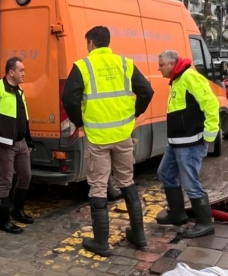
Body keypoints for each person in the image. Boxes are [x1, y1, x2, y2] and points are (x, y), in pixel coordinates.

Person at [62, 26, 154, 257]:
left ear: (91, 43)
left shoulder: (83, 66)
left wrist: (79, 121)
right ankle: (139, 235)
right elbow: (147, 91)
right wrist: (134, 114)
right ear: (108, 42)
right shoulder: (125, 64)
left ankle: (101, 243)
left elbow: (69, 98)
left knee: (99, 185)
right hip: (123, 134)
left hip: (98, 137)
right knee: (126, 181)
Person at [154, 50, 219, 239]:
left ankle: (205, 224)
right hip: (177, 142)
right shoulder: (177, 79)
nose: (158, 69)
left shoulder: (190, 77)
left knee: (191, 183)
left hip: (190, 142)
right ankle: (177, 213)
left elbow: (211, 104)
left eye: (161, 65)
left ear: (171, 64)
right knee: (165, 173)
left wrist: (209, 135)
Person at [0, 57, 35, 234]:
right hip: (3, 145)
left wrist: (28, 139)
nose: (24, 73)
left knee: (25, 176)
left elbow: (23, 117)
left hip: (20, 144)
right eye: (21, 70)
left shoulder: (19, 91)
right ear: (11, 72)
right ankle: (3, 221)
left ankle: (17, 211)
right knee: (5, 180)